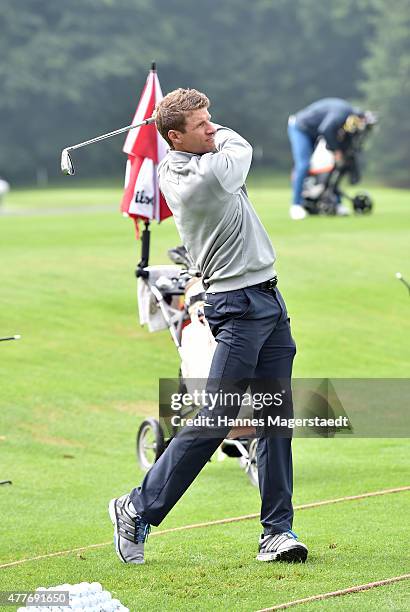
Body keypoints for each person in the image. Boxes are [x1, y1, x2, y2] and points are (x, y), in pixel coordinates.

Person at [108, 88, 308, 565]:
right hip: (236, 306)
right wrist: (220, 134)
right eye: (201, 124)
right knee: (218, 417)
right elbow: (242, 151)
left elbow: (218, 145)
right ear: (174, 136)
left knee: (276, 418)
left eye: (211, 119)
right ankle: (137, 507)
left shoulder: (198, 155)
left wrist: (199, 127)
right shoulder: (194, 176)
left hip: (268, 297)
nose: (212, 128)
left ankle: (276, 533)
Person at [287, 97, 365, 220]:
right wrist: (336, 151)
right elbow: (325, 129)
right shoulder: (341, 113)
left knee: (333, 167)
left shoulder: (347, 114)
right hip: (299, 127)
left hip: (314, 132)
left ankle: (335, 203)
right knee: (303, 165)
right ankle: (296, 205)